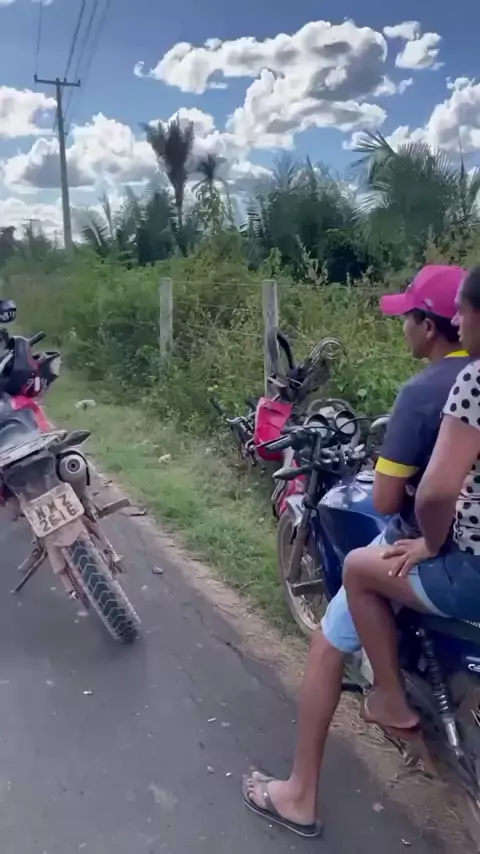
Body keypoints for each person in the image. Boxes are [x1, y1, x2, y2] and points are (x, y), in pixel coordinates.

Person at [241, 265, 470, 837]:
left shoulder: (428, 391)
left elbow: (391, 496)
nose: (402, 327)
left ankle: (301, 793)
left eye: (407, 317)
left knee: (328, 641)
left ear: (430, 326)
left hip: (436, 548)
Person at [343, 265, 480, 734]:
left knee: (358, 569)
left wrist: (431, 543)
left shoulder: (467, 382)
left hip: (472, 570)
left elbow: (430, 492)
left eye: (464, 312)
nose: (458, 322)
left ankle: (389, 699)